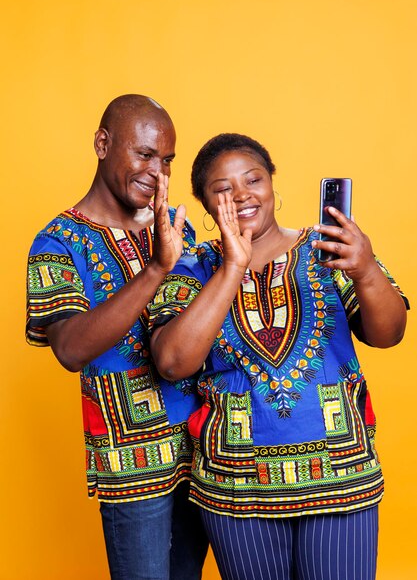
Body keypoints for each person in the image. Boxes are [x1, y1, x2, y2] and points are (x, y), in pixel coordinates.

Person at [149, 133, 408, 580]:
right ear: (206, 206)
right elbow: (173, 362)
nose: (242, 194)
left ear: (272, 183)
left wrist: (365, 268)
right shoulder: (192, 268)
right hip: (237, 487)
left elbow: (389, 334)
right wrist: (233, 266)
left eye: (253, 179)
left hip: (341, 475)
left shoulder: (329, 250)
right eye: (223, 189)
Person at [26, 94, 208, 580]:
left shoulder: (177, 231)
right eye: (145, 155)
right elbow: (69, 348)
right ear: (103, 144)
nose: (157, 172)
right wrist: (156, 268)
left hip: (206, 459)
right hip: (133, 467)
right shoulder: (58, 242)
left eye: (167, 160)